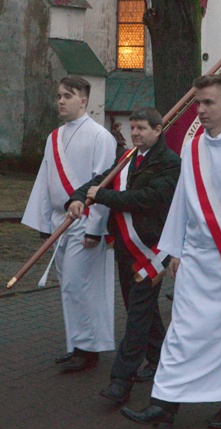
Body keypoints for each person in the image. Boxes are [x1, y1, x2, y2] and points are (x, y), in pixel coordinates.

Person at [120, 75, 221, 428]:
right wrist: (174, 249)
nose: (201, 110)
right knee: (182, 333)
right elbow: (182, 203)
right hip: (195, 260)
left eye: (208, 103)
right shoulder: (192, 149)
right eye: (197, 103)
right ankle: (165, 404)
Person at [67, 107, 181, 403]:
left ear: (158, 130)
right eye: (132, 129)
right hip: (125, 248)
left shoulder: (170, 163)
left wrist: (100, 196)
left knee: (138, 315)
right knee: (139, 309)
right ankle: (159, 359)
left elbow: (147, 199)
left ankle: (121, 381)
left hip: (152, 251)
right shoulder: (128, 158)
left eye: (141, 128)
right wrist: (78, 198)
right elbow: (100, 180)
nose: (135, 134)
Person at [22, 76, 116, 372]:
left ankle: (89, 348)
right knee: (69, 287)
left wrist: (95, 228)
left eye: (68, 95)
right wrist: (43, 223)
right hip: (59, 223)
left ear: (84, 101)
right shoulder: (54, 137)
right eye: (59, 95)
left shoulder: (101, 137)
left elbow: (104, 183)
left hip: (84, 223)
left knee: (80, 286)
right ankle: (77, 344)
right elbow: (44, 180)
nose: (60, 100)